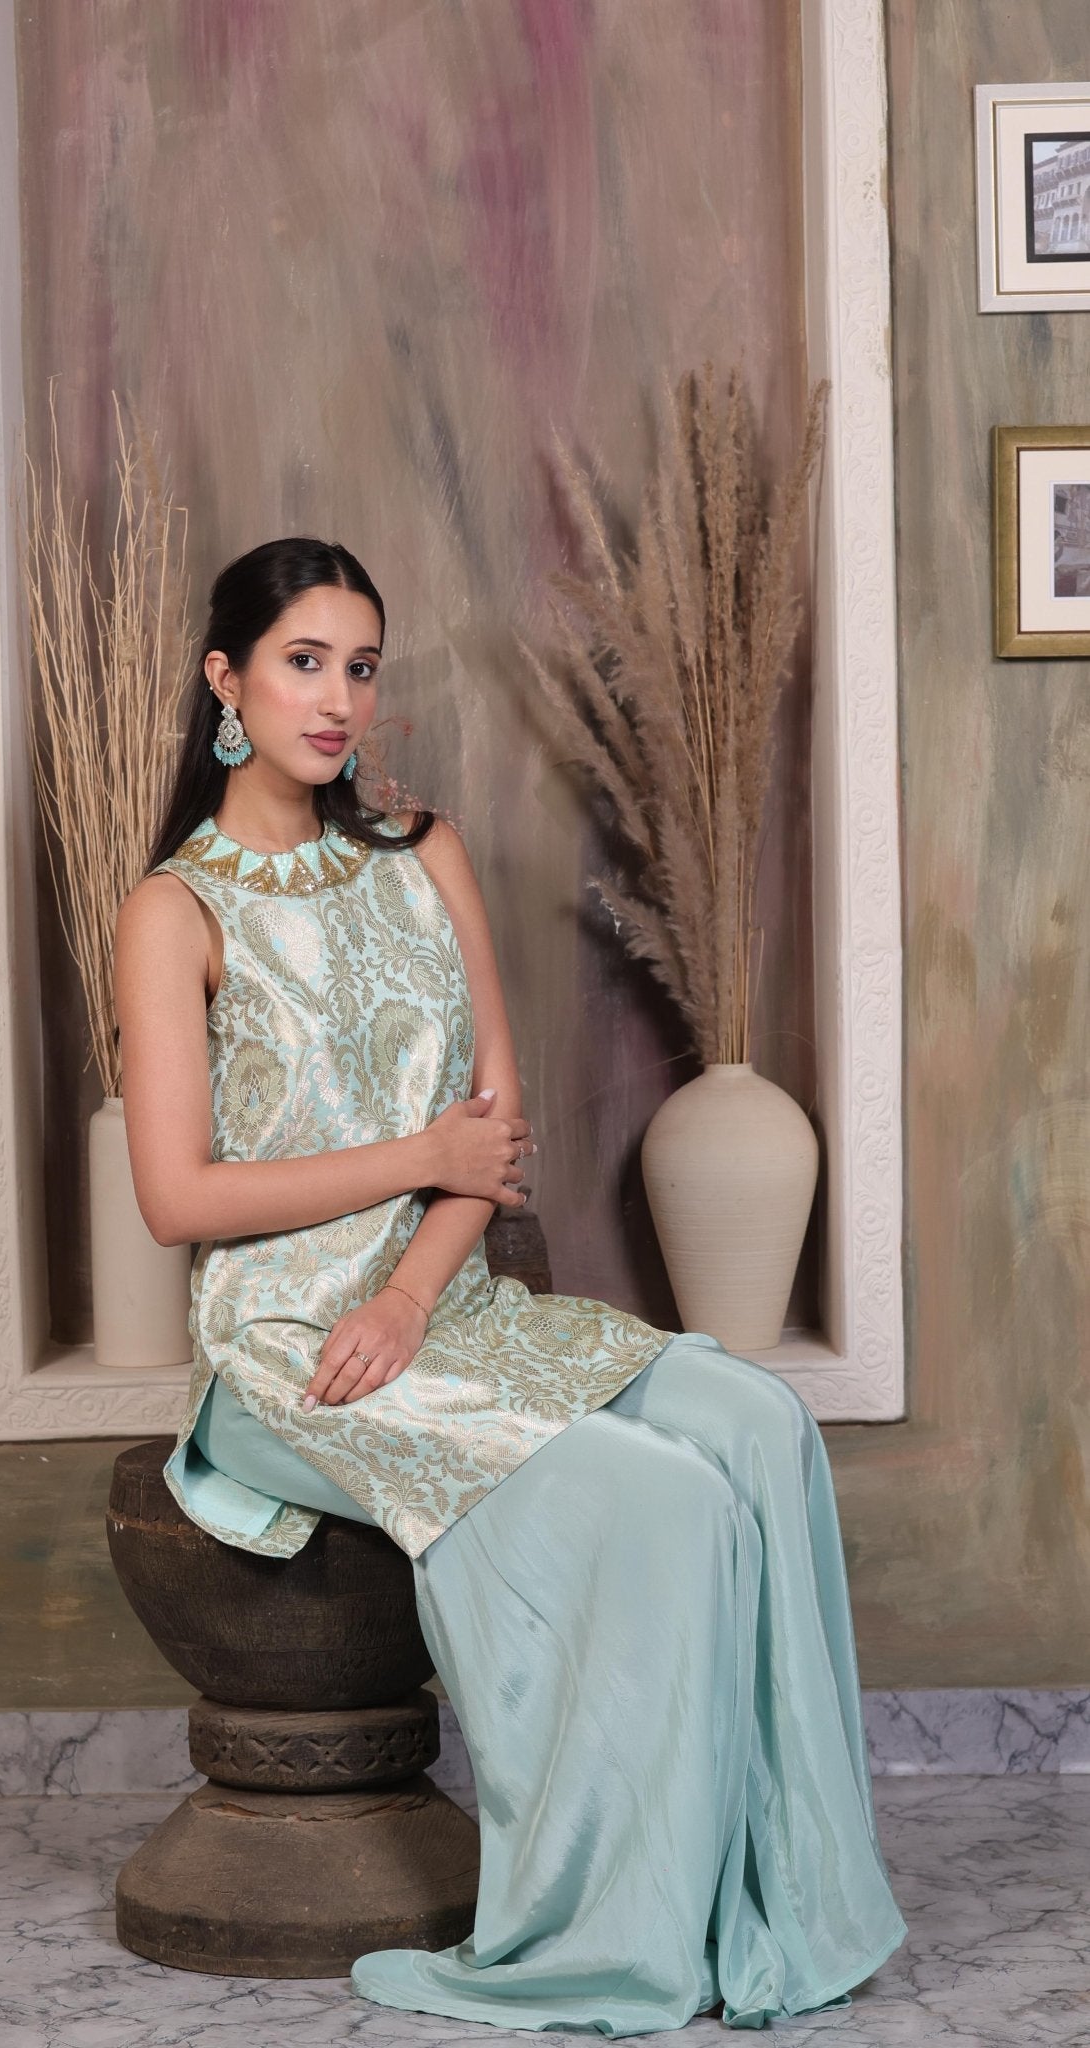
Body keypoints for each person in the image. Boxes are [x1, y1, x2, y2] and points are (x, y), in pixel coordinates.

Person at [112, 536, 908, 2033]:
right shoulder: (176, 912)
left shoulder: (424, 850)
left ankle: (779, 1897)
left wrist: (416, 1288)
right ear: (225, 679)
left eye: (360, 667)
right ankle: (619, 1929)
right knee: (661, 1501)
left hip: (438, 1307)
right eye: (302, 662)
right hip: (288, 1347)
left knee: (756, 1423)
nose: (337, 699)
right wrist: (416, 1163)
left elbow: (494, 1130)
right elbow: (179, 1198)